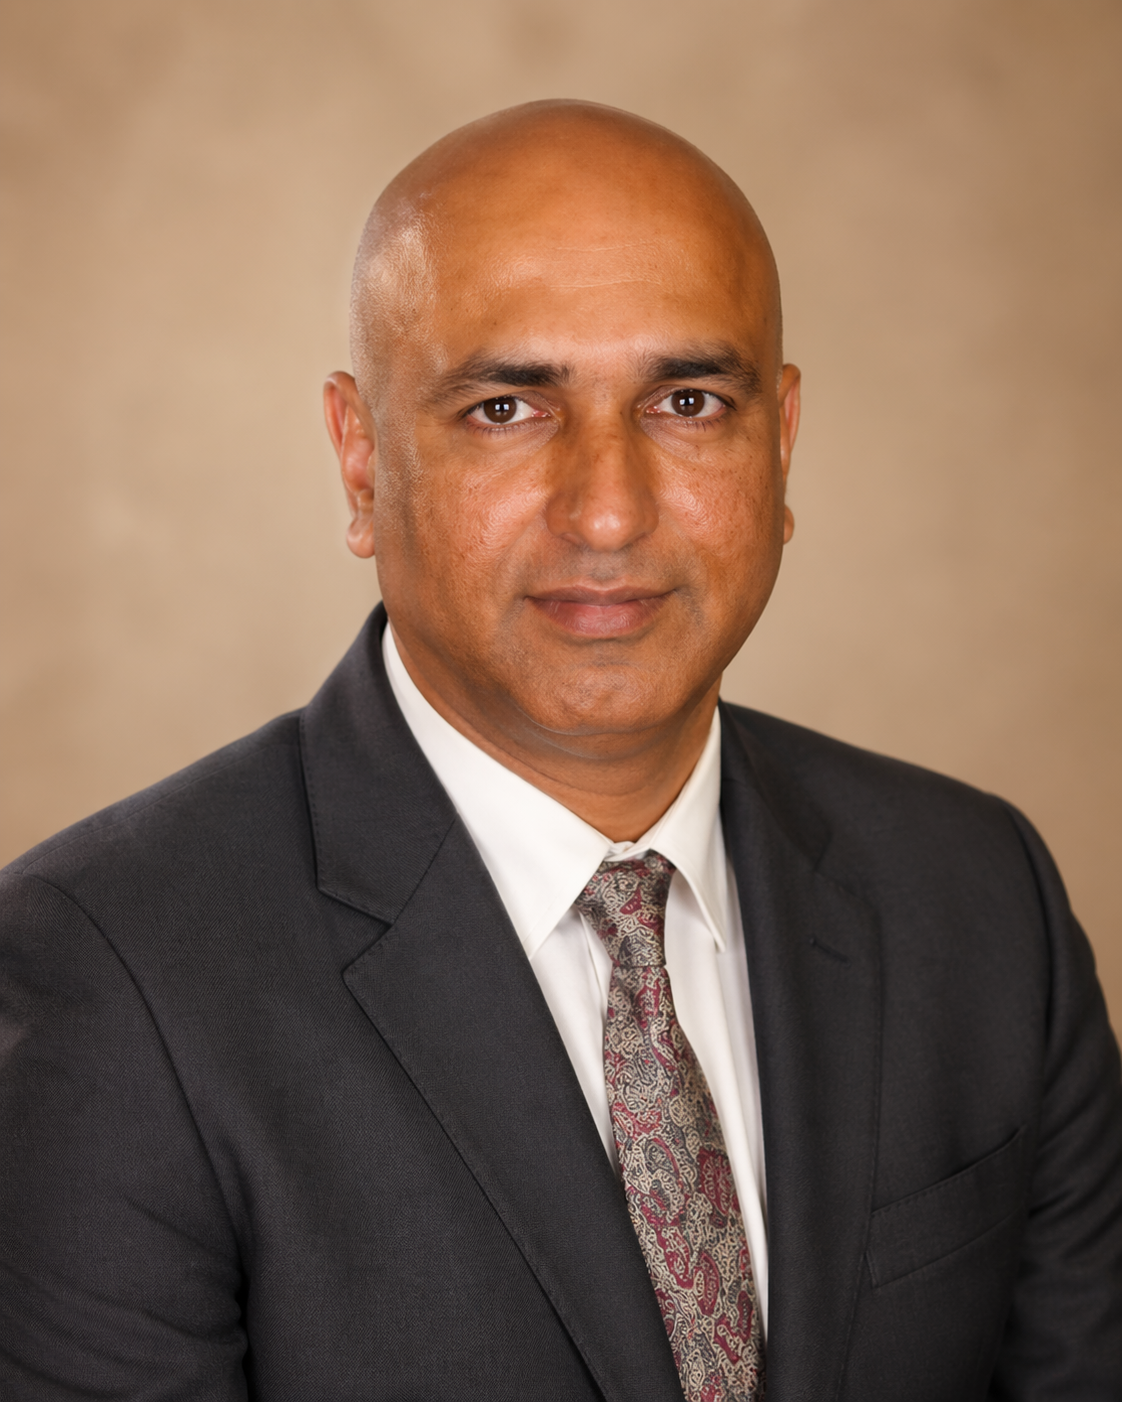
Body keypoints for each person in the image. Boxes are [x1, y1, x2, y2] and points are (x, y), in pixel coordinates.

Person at [1, 99, 1119, 1402]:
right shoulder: (113, 975)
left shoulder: (978, 897)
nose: (607, 508)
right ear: (361, 463)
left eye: (687, 400)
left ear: (781, 443)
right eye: (505, 410)